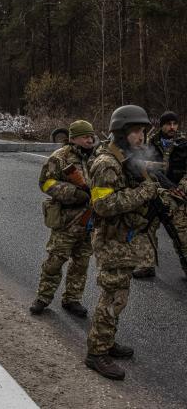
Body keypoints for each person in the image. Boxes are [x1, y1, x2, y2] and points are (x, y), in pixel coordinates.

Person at [85, 105, 159, 380]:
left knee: (119, 295)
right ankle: (96, 353)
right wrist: (144, 192)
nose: (141, 137)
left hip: (122, 240)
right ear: (121, 133)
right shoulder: (106, 163)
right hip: (111, 241)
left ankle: (106, 342)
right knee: (113, 297)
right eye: (137, 131)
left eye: (143, 131)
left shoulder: (126, 158)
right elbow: (103, 205)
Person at [29, 120, 95, 317]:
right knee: (55, 261)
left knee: (81, 263)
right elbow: (46, 182)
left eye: (92, 136)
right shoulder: (60, 158)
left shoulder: (98, 158)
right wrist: (74, 192)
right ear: (73, 138)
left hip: (89, 219)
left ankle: (72, 299)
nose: (90, 139)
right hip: (66, 220)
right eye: (86, 136)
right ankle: (43, 297)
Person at [134, 110, 186, 278]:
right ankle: (146, 265)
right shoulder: (149, 143)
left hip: (177, 196)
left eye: (174, 124)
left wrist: (181, 189)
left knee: (182, 234)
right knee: (144, 228)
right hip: (154, 194)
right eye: (168, 124)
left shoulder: (184, 143)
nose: (172, 127)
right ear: (161, 125)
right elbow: (142, 168)